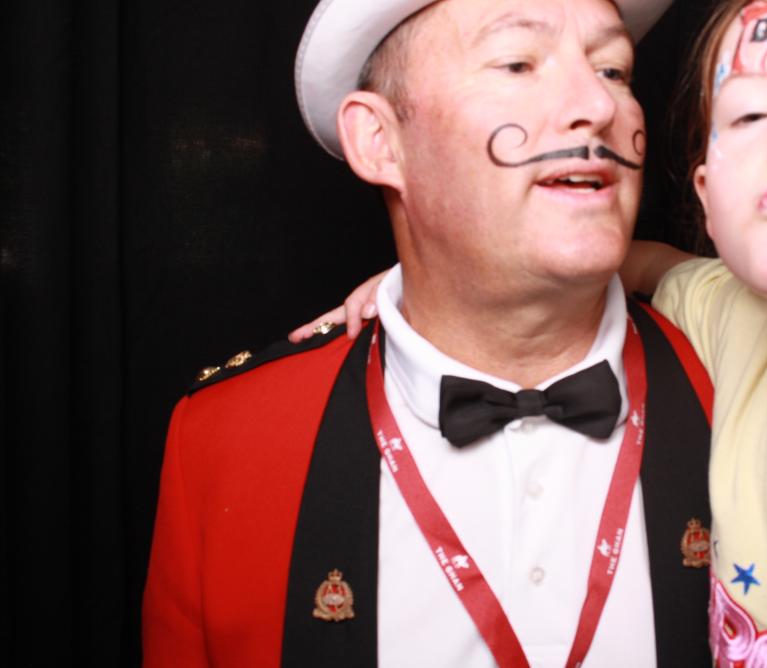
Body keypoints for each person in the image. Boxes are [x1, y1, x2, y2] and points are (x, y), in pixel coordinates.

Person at [305, 0, 767, 666]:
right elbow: (633, 261)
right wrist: (431, 268)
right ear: (707, 195)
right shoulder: (723, 316)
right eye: (751, 114)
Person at [142, 1, 718, 666]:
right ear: (380, 142)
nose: (597, 103)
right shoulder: (224, 443)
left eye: (613, 70)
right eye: (517, 63)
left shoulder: (750, 379)